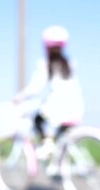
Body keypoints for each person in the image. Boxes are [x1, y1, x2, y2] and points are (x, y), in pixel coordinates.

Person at [14, 25, 85, 159]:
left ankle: (47, 146)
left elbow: (35, 87)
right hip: (76, 107)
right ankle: (57, 161)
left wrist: (20, 96)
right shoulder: (69, 63)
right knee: (61, 136)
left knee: (37, 119)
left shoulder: (46, 64)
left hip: (58, 107)